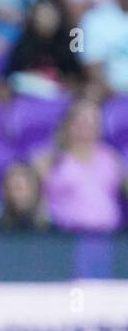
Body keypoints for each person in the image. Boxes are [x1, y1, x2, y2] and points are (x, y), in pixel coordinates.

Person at [33, 99, 127, 232]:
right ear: (68, 124)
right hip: (64, 238)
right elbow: (36, 201)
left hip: (107, 236)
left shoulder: (111, 158)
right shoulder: (49, 160)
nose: (86, 126)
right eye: (81, 121)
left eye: (92, 122)